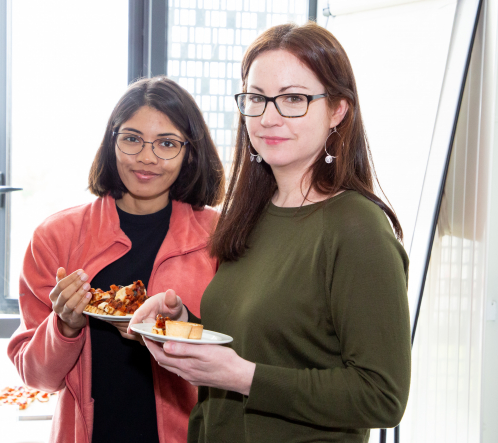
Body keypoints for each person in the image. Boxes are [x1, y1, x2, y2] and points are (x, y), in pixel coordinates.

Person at [129, 22, 412, 443]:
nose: (268, 117)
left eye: (293, 99)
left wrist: (246, 378)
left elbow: (382, 396)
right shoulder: (250, 215)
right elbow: (269, 341)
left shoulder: (357, 229)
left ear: (338, 109)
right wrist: (186, 325)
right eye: (257, 99)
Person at [8, 76, 225, 443]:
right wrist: (65, 325)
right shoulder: (56, 237)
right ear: (112, 142)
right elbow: (38, 377)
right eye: (131, 139)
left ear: (190, 151)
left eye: (167, 143)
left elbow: (239, 358)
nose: (146, 157)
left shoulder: (221, 237)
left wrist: (174, 331)